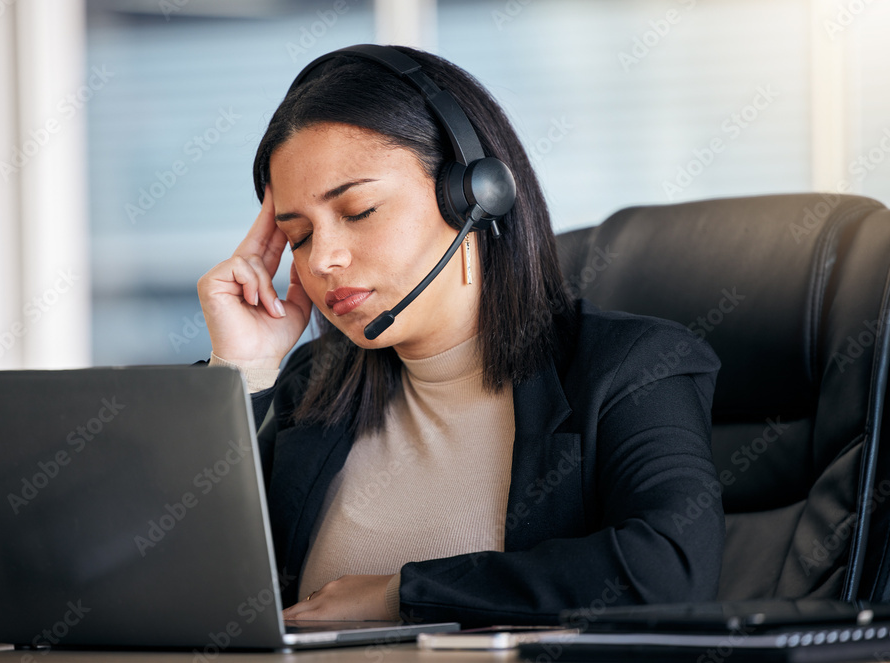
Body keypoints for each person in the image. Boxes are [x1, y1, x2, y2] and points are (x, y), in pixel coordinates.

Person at [196, 45, 724, 627]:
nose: (323, 260)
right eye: (297, 236)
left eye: (360, 210)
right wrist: (242, 372)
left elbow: (668, 571)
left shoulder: (630, 367)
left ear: (474, 196)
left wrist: (401, 594)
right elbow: (163, 577)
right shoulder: (310, 391)